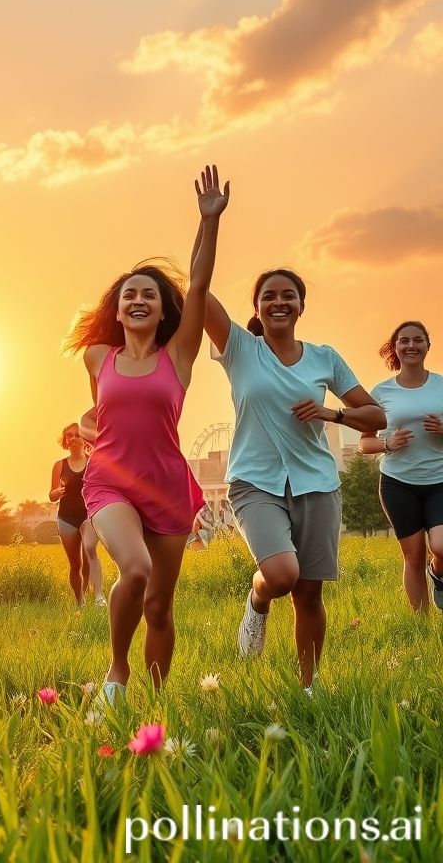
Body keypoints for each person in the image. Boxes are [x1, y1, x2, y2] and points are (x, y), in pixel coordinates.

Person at [67, 165, 228, 706]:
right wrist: (89, 425)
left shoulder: (177, 357)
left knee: (160, 606)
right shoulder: (97, 357)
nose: (139, 300)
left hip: (167, 487)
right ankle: (117, 674)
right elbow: (101, 413)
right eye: (129, 295)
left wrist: (208, 223)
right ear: (117, 309)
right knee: (133, 569)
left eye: (150, 296)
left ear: (163, 312)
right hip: (110, 481)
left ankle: (157, 706)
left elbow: (199, 285)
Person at [204, 266, 385, 690]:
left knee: (309, 593)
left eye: (289, 295)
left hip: (317, 483)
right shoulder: (239, 348)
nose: (279, 302)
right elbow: (198, 289)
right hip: (255, 482)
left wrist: (332, 412)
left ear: (302, 306)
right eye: (269, 295)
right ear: (258, 307)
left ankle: (308, 685)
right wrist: (209, 222)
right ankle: (258, 597)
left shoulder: (325, 357)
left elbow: (376, 415)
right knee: (282, 576)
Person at [359, 321, 443, 612]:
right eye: (404, 341)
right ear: (395, 348)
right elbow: (364, 442)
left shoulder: (441, 385)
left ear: (427, 346)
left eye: (418, 340)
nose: (411, 346)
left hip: (439, 480)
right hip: (397, 483)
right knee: (413, 556)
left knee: (441, 546)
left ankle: (439, 574)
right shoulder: (381, 393)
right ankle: (420, 624)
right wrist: (387, 444)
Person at [48, 423, 105, 607]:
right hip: (66, 518)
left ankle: (96, 596)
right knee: (75, 564)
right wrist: (56, 493)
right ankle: (79, 601)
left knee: (89, 552)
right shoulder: (59, 465)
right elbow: (51, 495)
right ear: (65, 441)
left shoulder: (93, 462)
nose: (71, 438)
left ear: (83, 439)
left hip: (88, 515)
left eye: (75, 435)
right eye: (68, 436)